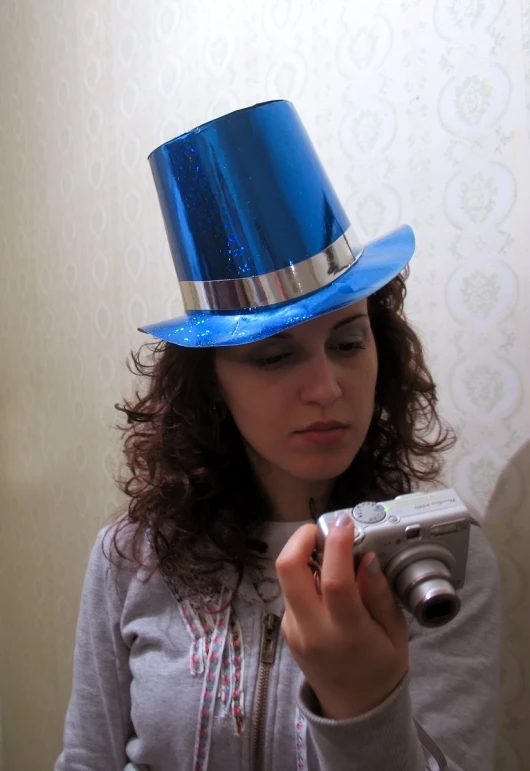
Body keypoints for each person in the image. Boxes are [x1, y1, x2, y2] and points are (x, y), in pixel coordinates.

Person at [55, 100, 501, 771]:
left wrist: (365, 710)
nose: (326, 386)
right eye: (274, 355)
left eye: (348, 340)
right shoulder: (130, 555)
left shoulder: (438, 560)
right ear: (213, 383)